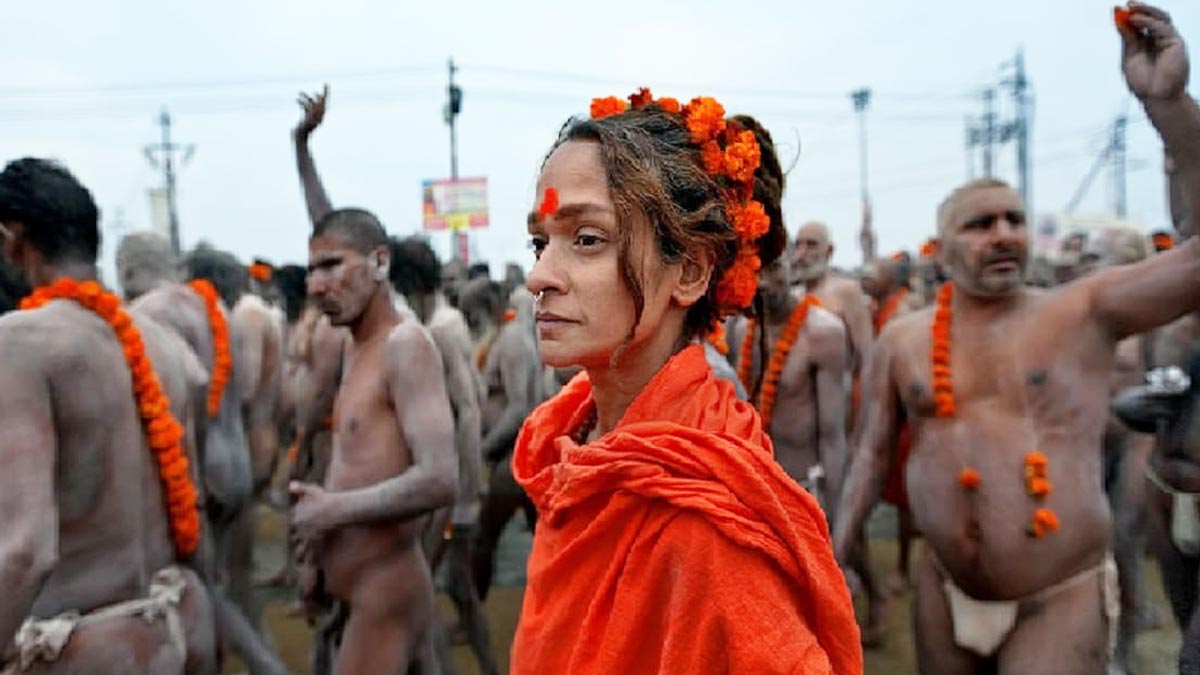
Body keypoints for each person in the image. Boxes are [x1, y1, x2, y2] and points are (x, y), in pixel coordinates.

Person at [834, 7, 1200, 672]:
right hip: (944, 591)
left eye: (1014, 218)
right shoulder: (904, 337)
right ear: (943, 250)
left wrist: (1169, 106)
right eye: (980, 224)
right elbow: (868, 454)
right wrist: (834, 556)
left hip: (1056, 595)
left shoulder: (1083, 308)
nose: (1003, 232)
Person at [510, 90, 860, 674]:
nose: (539, 275)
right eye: (540, 242)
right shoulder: (571, 444)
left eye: (587, 240)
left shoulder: (709, 531)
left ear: (690, 271)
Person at [0, 158, 216, 675]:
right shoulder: (162, 343)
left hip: (92, 649)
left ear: (14, 240)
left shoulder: (20, 341)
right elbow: (193, 507)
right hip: (181, 626)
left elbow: (28, 550)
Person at [288, 207, 457, 674]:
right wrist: (315, 556)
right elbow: (351, 463)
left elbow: (441, 478)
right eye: (311, 270)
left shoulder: (406, 346)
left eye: (332, 266)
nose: (316, 285)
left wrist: (331, 513)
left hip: (386, 590)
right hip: (357, 592)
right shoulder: (353, 346)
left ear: (380, 263)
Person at [389, 235, 497, 675]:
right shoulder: (443, 323)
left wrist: (464, 490)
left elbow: (469, 409)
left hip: (454, 482)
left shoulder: (440, 329)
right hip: (455, 479)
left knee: (423, 587)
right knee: (456, 587)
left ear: (409, 280)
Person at [467, 281, 543, 603]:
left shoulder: (512, 341)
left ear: (488, 307)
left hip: (514, 455)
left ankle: (473, 608)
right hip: (515, 454)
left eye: (473, 313)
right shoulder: (503, 335)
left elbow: (518, 407)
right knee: (542, 536)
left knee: (484, 536)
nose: (470, 320)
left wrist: (486, 447)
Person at [793, 221, 874, 375]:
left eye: (811, 245)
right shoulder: (794, 295)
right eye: (798, 245)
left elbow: (866, 354)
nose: (802, 254)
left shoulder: (847, 291)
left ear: (829, 251)